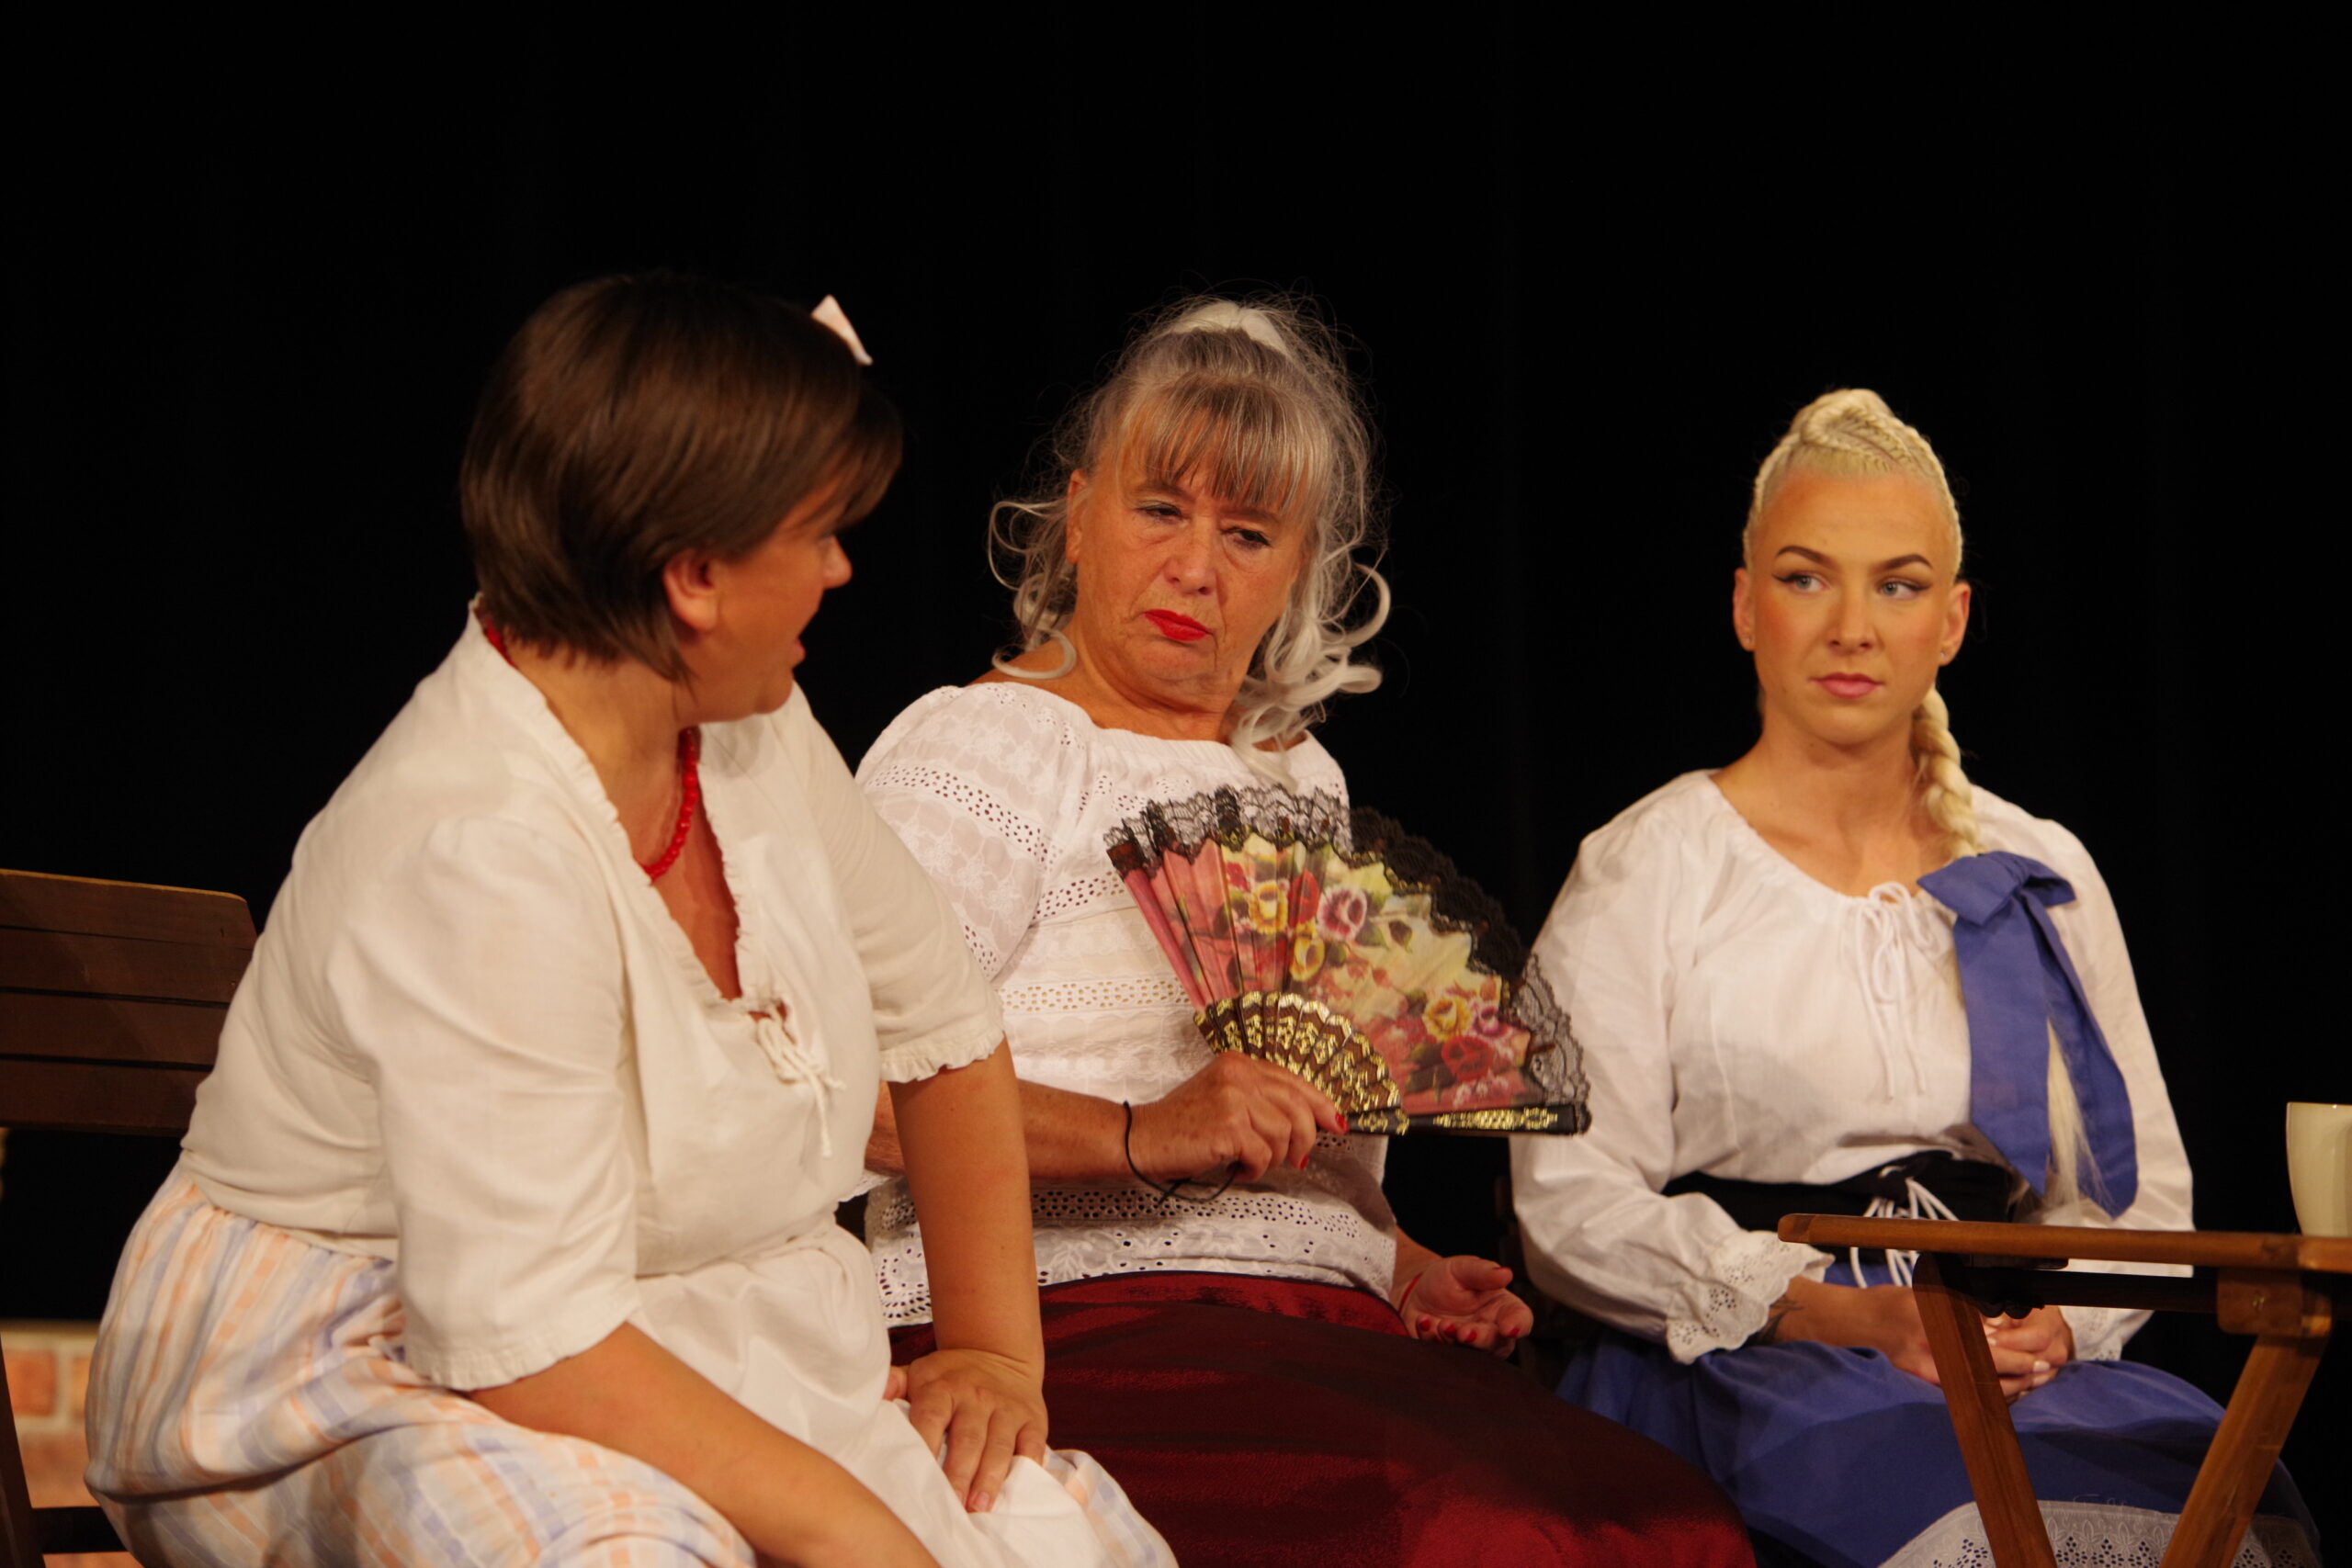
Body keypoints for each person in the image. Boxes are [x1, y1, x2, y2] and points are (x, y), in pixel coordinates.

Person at [83, 275, 1171, 1568]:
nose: (841, 569)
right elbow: (524, 1335)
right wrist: (867, 1539)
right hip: (352, 1353)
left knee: (1045, 1539)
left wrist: (991, 1350)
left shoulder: (749, 724)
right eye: (819, 534)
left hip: (662, 1317)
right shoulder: (481, 846)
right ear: (695, 576)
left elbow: (942, 1025)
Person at [856, 296, 1754, 1565]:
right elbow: (848, 1095)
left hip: (1315, 1322)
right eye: (1159, 509)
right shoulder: (982, 745)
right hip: (1069, 1322)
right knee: (1482, 1536)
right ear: (1077, 514)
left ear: (1300, 569)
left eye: (1247, 532)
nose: (1196, 568)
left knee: (1666, 1525)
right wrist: (1143, 1131)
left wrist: (1397, 1258)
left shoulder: (1299, 783)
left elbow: (1299, 1134)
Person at [1508, 389, 2318, 1568]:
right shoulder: (1647, 868)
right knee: (1931, 1501)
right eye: (1805, 578)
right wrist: (1839, 1313)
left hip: (2010, 1357)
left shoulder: (2037, 870)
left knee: (2223, 1500)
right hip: (1752, 1372)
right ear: (1743, 605)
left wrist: (2059, 1323)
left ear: (1952, 619)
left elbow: (2138, 1193)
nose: (1851, 627)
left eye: (1896, 586)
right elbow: (1571, 1201)